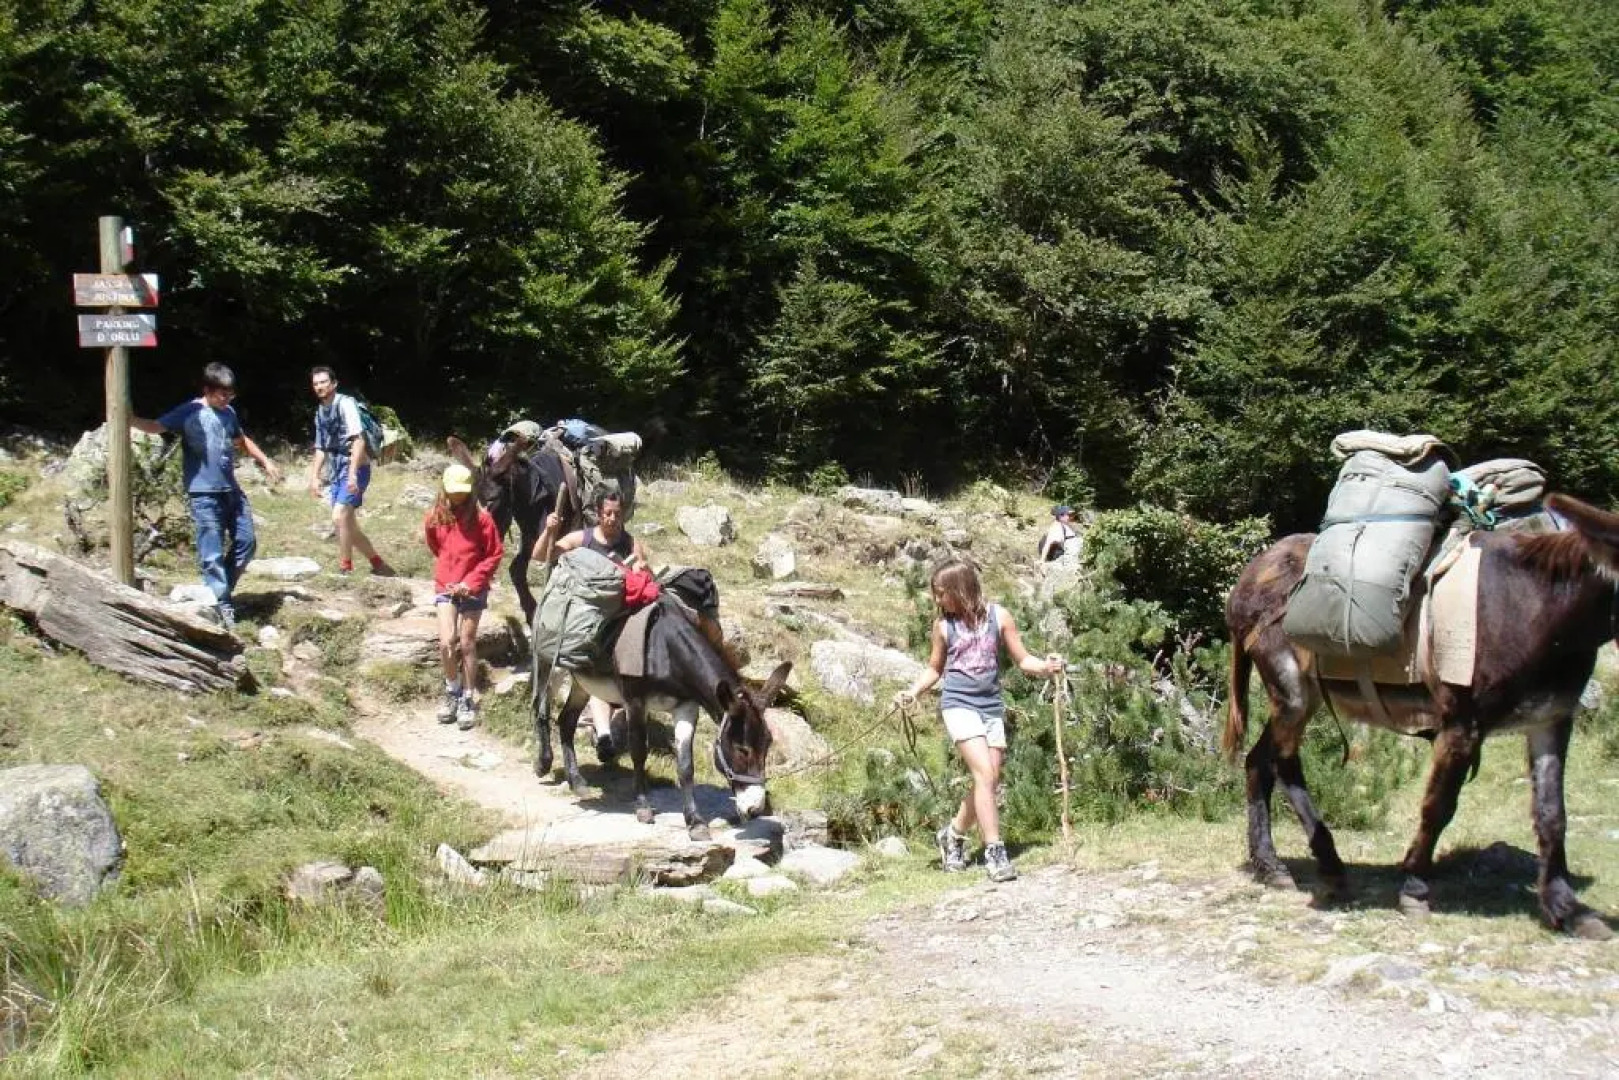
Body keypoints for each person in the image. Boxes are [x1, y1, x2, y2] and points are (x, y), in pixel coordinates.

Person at [895, 559, 1062, 883]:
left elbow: (1023, 659)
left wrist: (1046, 667)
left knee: (990, 779)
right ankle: (995, 853)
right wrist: (912, 691)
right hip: (958, 705)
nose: (938, 601)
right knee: (985, 774)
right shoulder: (943, 627)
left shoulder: (1000, 617)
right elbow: (934, 668)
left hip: (991, 706)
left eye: (942, 593)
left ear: (960, 590)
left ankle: (953, 835)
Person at [130, 363, 282, 631]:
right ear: (207, 390)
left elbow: (241, 440)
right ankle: (221, 602)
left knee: (247, 541)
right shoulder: (190, 411)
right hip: (203, 493)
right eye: (221, 394)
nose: (226, 399)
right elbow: (156, 426)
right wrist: (128, 419)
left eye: (230, 395)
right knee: (210, 551)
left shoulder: (229, 413)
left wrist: (265, 461)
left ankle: (219, 590)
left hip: (231, 490)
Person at [536, 488, 648, 757]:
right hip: (579, 618)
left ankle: (604, 733)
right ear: (598, 514)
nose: (612, 518)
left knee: (605, 671)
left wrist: (642, 570)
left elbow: (645, 576)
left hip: (613, 622)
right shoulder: (581, 539)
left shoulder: (631, 543)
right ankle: (545, 724)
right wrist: (549, 531)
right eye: (607, 513)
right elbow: (542, 556)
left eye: (617, 514)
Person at [424, 463, 503, 730]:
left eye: (462, 492)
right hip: (446, 586)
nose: (457, 497)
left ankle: (468, 697)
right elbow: (436, 546)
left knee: (467, 643)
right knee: (447, 642)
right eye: (453, 491)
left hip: (473, 588)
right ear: (444, 489)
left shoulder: (482, 519)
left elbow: (494, 554)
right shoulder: (435, 516)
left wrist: (471, 582)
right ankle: (452, 690)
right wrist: (451, 578)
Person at [307, 366, 393, 576]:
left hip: (356, 468)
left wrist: (353, 474)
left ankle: (345, 568)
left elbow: (359, 440)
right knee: (350, 526)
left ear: (334, 384)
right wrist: (314, 477)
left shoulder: (346, 404)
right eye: (316, 383)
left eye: (323, 382)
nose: (319, 386)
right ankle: (379, 564)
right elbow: (320, 448)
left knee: (339, 517)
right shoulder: (320, 412)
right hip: (336, 472)